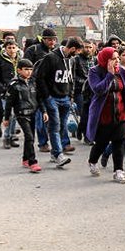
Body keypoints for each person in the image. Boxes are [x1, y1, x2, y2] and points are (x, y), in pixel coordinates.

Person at [86, 47, 125, 184]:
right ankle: (92, 161)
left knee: (119, 142)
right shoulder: (94, 71)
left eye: (118, 58)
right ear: (105, 59)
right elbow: (98, 90)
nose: (117, 61)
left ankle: (119, 171)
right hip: (103, 115)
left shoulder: (122, 72)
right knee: (101, 142)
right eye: (113, 59)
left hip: (121, 114)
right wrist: (109, 75)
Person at [35, 35, 81, 168]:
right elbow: (40, 78)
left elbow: (71, 78)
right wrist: (47, 97)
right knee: (54, 126)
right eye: (76, 51)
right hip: (52, 98)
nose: (76, 55)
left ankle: (55, 153)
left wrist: (70, 95)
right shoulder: (51, 58)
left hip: (65, 98)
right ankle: (58, 154)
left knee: (62, 126)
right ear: (72, 48)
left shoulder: (71, 61)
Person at [2, 59, 43, 173]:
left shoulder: (33, 82)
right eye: (26, 69)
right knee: (29, 136)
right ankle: (32, 161)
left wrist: (43, 111)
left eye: (30, 69)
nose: (28, 72)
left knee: (31, 137)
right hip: (21, 114)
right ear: (19, 70)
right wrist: (6, 118)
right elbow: (9, 103)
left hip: (33, 113)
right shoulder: (14, 85)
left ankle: (25, 158)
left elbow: (39, 99)